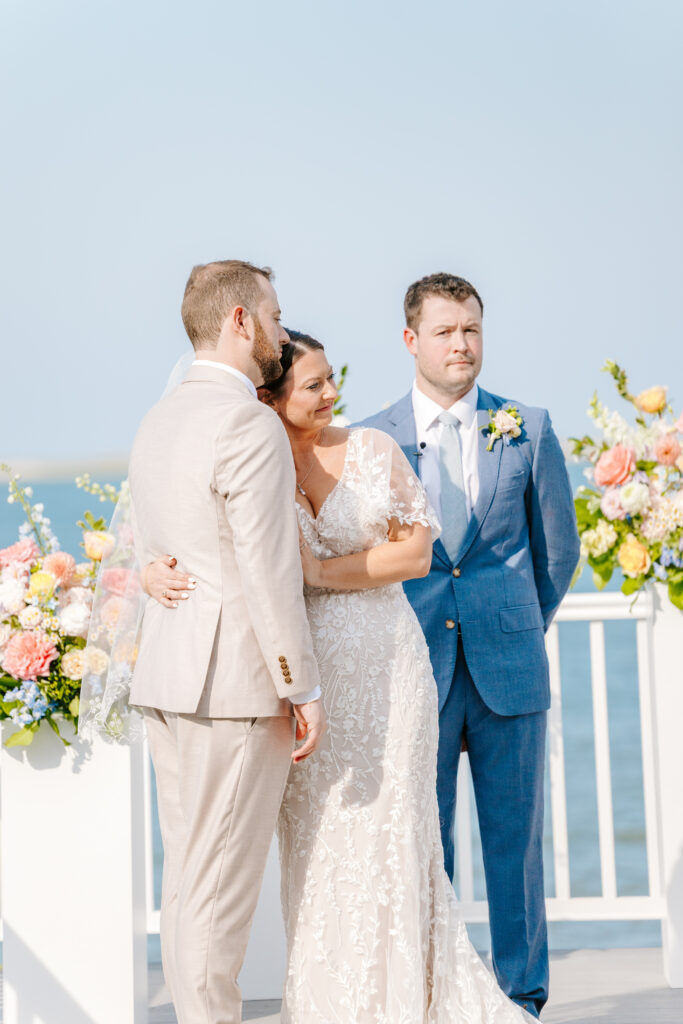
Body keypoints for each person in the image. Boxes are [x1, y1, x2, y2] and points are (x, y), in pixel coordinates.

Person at [146, 332, 536, 1022]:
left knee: (395, 831)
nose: (332, 395)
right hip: (303, 671)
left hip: (387, 661)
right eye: (314, 385)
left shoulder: (371, 449)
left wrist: (323, 573)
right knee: (320, 843)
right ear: (271, 398)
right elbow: (208, 538)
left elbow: (416, 553)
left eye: (332, 379)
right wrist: (153, 567)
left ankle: (404, 1001)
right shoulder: (255, 456)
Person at [360, 273, 580, 1016]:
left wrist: (519, 622)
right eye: (446, 331)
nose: (461, 344)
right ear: (410, 340)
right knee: (426, 847)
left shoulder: (529, 426)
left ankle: (522, 999)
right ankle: (436, 996)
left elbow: (558, 553)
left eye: (472, 329)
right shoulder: (371, 438)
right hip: (413, 669)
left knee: (514, 850)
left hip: (508, 668)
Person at [125, 261, 326, 1024]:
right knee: (221, 893)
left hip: (170, 678)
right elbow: (267, 567)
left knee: (189, 883)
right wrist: (299, 685)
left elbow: (164, 544)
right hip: (234, 686)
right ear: (240, 320)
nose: (281, 330)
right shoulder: (244, 421)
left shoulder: (160, 417)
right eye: (275, 316)